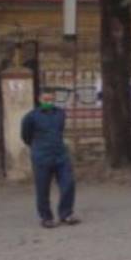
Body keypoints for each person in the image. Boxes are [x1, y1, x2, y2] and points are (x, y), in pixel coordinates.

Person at [20, 88, 80, 229]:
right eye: (46, 99)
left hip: (60, 155)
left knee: (68, 184)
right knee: (43, 188)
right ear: (39, 99)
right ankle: (46, 218)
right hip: (42, 156)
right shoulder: (31, 117)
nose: (49, 102)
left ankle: (66, 214)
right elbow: (26, 136)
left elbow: (60, 130)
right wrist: (38, 146)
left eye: (51, 99)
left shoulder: (60, 113)